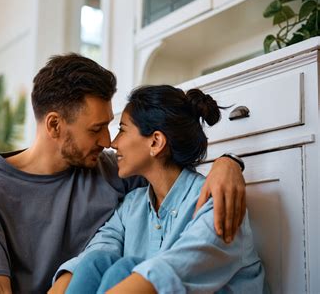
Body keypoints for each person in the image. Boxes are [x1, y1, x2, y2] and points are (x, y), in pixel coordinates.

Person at [0, 53, 246, 294]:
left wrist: (229, 163)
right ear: (54, 125)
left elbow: (177, 177)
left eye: (113, 126)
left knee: (117, 267)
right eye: (96, 129)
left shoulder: (115, 170)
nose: (108, 141)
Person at [50, 85, 265, 294]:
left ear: (155, 142)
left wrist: (229, 162)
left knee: (125, 271)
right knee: (98, 261)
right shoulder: (133, 204)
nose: (112, 143)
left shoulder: (215, 199)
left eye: (122, 130)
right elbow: (97, 252)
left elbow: (170, 272)